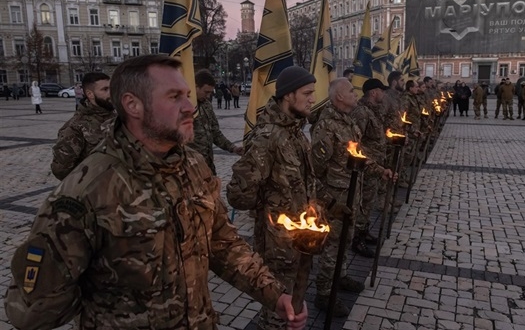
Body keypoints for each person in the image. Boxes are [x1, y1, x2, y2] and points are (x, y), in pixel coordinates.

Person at [4, 55, 307, 330]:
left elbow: (223, 244)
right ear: (133, 104)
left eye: (187, 95)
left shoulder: (193, 166)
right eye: (174, 96)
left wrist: (274, 294)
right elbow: (31, 311)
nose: (190, 107)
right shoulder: (87, 190)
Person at [227, 66, 317, 330]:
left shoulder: (296, 133)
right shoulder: (267, 137)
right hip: (278, 244)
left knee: (293, 308)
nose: (313, 98)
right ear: (289, 95)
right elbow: (238, 196)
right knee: (278, 313)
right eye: (308, 93)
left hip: (299, 239)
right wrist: (269, 209)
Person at [311, 77, 392, 317]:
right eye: (351, 91)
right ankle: (324, 294)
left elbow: (357, 155)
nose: (356, 94)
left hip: (351, 192)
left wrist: (380, 170)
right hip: (336, 199)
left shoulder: (347, 122)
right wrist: (328, 200)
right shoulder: (326, 127)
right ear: (339, 97)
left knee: (346, 240)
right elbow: (313, 171)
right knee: (333, 245)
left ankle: (341, 275)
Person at [349, 78, 388, 258]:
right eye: (381, 90)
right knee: (362, 204)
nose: (383, 94)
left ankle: (363, 231)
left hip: (374, 165)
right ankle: (357, 239)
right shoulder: (362, 112)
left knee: (369, 201)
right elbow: (355, 141)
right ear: (373, 92)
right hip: (365, 166)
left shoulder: (375, 110)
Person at [50, 72, 115, 181]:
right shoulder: (76, 126)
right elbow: (61, 170)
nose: (111, 93)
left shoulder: (119, 117)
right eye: (105, 89)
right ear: (90, 94)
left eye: (111, 88)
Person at [189, 70, 243, 175]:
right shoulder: (185, 106)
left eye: (210, 92)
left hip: (207, 166)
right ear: (195, 86)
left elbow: (215, 133)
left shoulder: (207, 106)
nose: (209, 96)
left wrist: (233, 148)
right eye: (206, 92)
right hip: (191, 168)